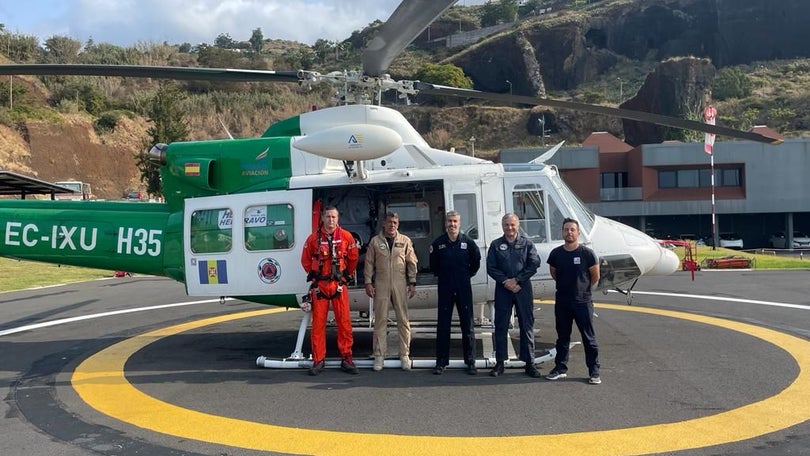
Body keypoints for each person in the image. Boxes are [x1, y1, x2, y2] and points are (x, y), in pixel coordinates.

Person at [301, 206, 360, 376]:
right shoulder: (313, 239)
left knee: (344, 323)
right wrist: (314, 278)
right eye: (328, 217)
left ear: (338, 218)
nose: (331, 220)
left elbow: (353, 258)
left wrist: (346, 276)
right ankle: (318, 360)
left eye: (333, 217)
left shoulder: (346, 237)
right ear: (323, 218)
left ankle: (347, 358)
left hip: (339, 285)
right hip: (320, 287)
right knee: (318, 325)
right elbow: (305, 260)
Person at [545, 217, 601, 384]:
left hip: (582, 301)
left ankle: (594, 371)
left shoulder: (587, 254)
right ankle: (560, 368)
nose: (569, 232)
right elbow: (554, 274)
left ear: (577, 233)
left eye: (572, 230)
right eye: (566, 229)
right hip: (562, 301)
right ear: (562, 232)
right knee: (562, 337)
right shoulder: (556, 254)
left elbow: (595, 276)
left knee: (588, 338)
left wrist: (581, 290)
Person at [486, 213, 542, 378]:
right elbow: (491, 267)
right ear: (502, 226)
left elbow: (534, 264)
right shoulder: (496, 245)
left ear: (517, 226)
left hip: (522, 288)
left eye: (512, 225)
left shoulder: (527, 244)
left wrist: (517, 280)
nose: (509, 228)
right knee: (501, 325)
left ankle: (529, 363)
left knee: (527, 324)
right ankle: (500, 362)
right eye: (506, 225)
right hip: (503, 289)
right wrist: (506, 281)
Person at [364, 212, 418, 371]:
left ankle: (404, 354)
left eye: (395, 222)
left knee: (403, 319)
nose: (392, 225)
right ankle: (379, 355)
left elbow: (412, 261)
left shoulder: (405, 241)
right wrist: (368, 281)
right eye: (389, 222)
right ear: (384, 224)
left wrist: (412, 281)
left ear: (398, 224)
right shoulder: (375, 241)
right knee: (380, 320)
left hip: (400, 283)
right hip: (381, 282)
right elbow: (368, 263)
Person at [430, 211, 481, 375]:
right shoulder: (438, 244)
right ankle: (441, 362)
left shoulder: (468, 243)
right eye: (449, 221)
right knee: (443, 326)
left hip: (463, 288)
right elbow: (434, 267)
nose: (452, 224)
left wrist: (465, 276)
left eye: (455, 221)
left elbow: (475, 263)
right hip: (445, 288)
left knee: (468, 326)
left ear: (459, 223)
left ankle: (470, 362)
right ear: (445, 223)